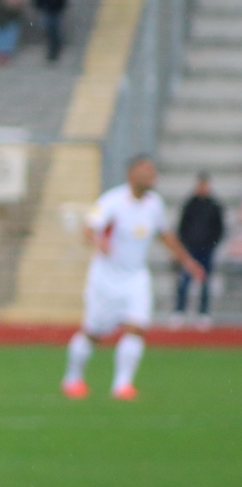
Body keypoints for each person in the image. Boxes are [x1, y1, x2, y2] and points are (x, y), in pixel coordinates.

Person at [63, 155, 205, 400]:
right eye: (146, 171)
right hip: (106, 278)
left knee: (137, 328)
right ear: (131, 174)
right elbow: (88, 228)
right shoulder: (113, 201)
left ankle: (122, 385)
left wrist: (187, 261)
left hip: (136, 276)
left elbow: (165, 234)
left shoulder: (154, 204)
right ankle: (73, 378)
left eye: (153, 172)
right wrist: (100, 243)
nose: (152, 176)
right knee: (93, 332)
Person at [175, 174, 224, 325]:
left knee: (205, 281)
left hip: (207, 249)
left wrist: (212, 243)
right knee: (184, 281)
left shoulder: (214, 205)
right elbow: (182, 226)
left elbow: (219, 228)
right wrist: (185, 243)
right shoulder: (190, 204)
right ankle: (179, 311)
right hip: (191, 249)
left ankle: (203, 313)